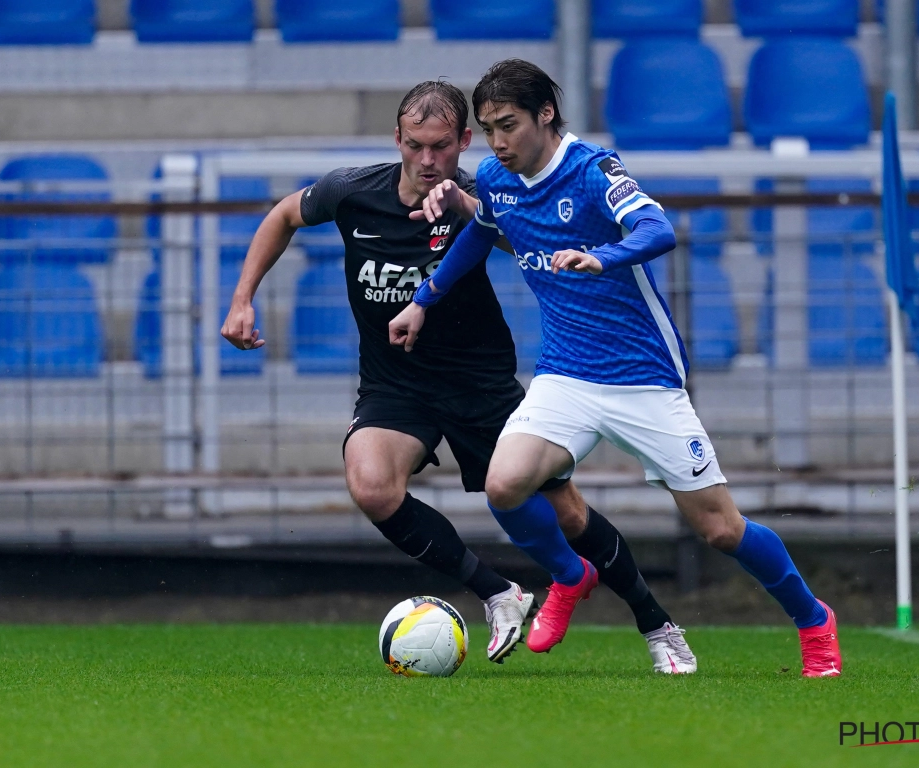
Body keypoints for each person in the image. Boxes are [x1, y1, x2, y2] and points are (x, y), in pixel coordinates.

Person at [222, 80, 694, 673]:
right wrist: (242, 299)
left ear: (465, 141)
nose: (427, 160)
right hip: (395, 383)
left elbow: (516, 236)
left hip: (479, 382)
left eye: (442, 146)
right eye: (415, 145)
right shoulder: (352, 191)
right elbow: (284, 214)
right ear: (397, 139)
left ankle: (655, 621)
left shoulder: (483, 191)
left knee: (567, 513)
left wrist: (469, 208)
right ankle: (499, 593)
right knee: (371, 484)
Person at [391, 61, 842, 677]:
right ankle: (568, 576)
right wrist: (424, 300)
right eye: (489, 129)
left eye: (509, 125)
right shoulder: (497, 179)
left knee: (720, 529)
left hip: (644, 378)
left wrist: (604, 259)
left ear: (544, 114)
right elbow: (479, 235)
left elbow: (657, 229)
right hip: (566, 375)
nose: (497, 142)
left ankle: (814, 619)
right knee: (504, 485)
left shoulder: (594, 168)